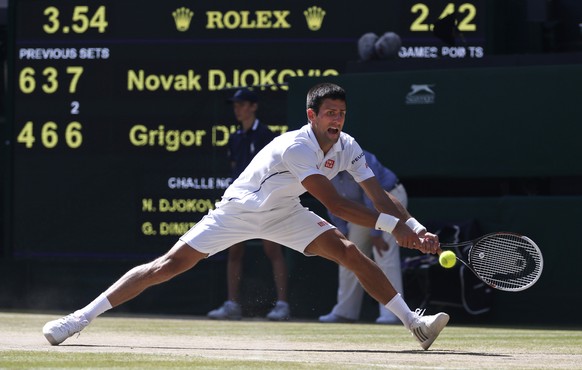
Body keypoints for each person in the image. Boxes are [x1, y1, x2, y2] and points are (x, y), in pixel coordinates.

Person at [42, 82, 449, 351]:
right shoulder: (296, 147)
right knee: (167, 266)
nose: (336, 120)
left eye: (341, 113)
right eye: (329, 113)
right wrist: (394, 228)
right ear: (312, 116)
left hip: (285, 213)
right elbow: (337, 206)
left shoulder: (349, 146)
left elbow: (378, 195)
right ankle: (79, 318)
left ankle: (415, 324)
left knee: (349, 252)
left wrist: (414, 227)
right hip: (239, 210)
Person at [207, 88, 290, 321]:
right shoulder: (234, 138)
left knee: (273, 250)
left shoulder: (266, 136)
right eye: (235, 105)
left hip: (265, 200)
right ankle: (232, 305)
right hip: (239, 203)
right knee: (234, 251)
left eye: (242, 104)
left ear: (254, 106)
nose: (238, 109)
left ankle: (282, 305)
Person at [319, 150, 406, 324]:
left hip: (389, 200)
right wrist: (342, 229)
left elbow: (376, 199)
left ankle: (393, 314)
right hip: (358, 208)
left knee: (383, 254)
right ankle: (345, 311)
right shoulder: (322, 167)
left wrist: (377, 234)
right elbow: (330, 200)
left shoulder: (359, 158)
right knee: (347, 253)